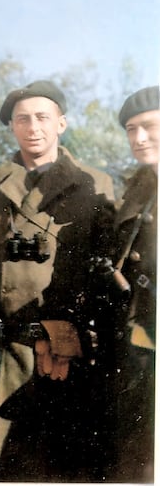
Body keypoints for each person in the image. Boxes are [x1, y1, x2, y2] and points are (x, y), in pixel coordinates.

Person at [0, 80, 117, 482]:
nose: (32, 127)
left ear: (62, 123)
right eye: (22, 119)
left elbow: (109, 267)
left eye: (42, 117)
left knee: (46, 460)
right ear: (12, 127)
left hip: (58, 348)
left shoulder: (94, 185)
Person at [109, 85, 159, 483]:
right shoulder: (140, 186)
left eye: (149, 127)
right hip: (140, 333)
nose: (139, 138)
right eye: (131, 129)